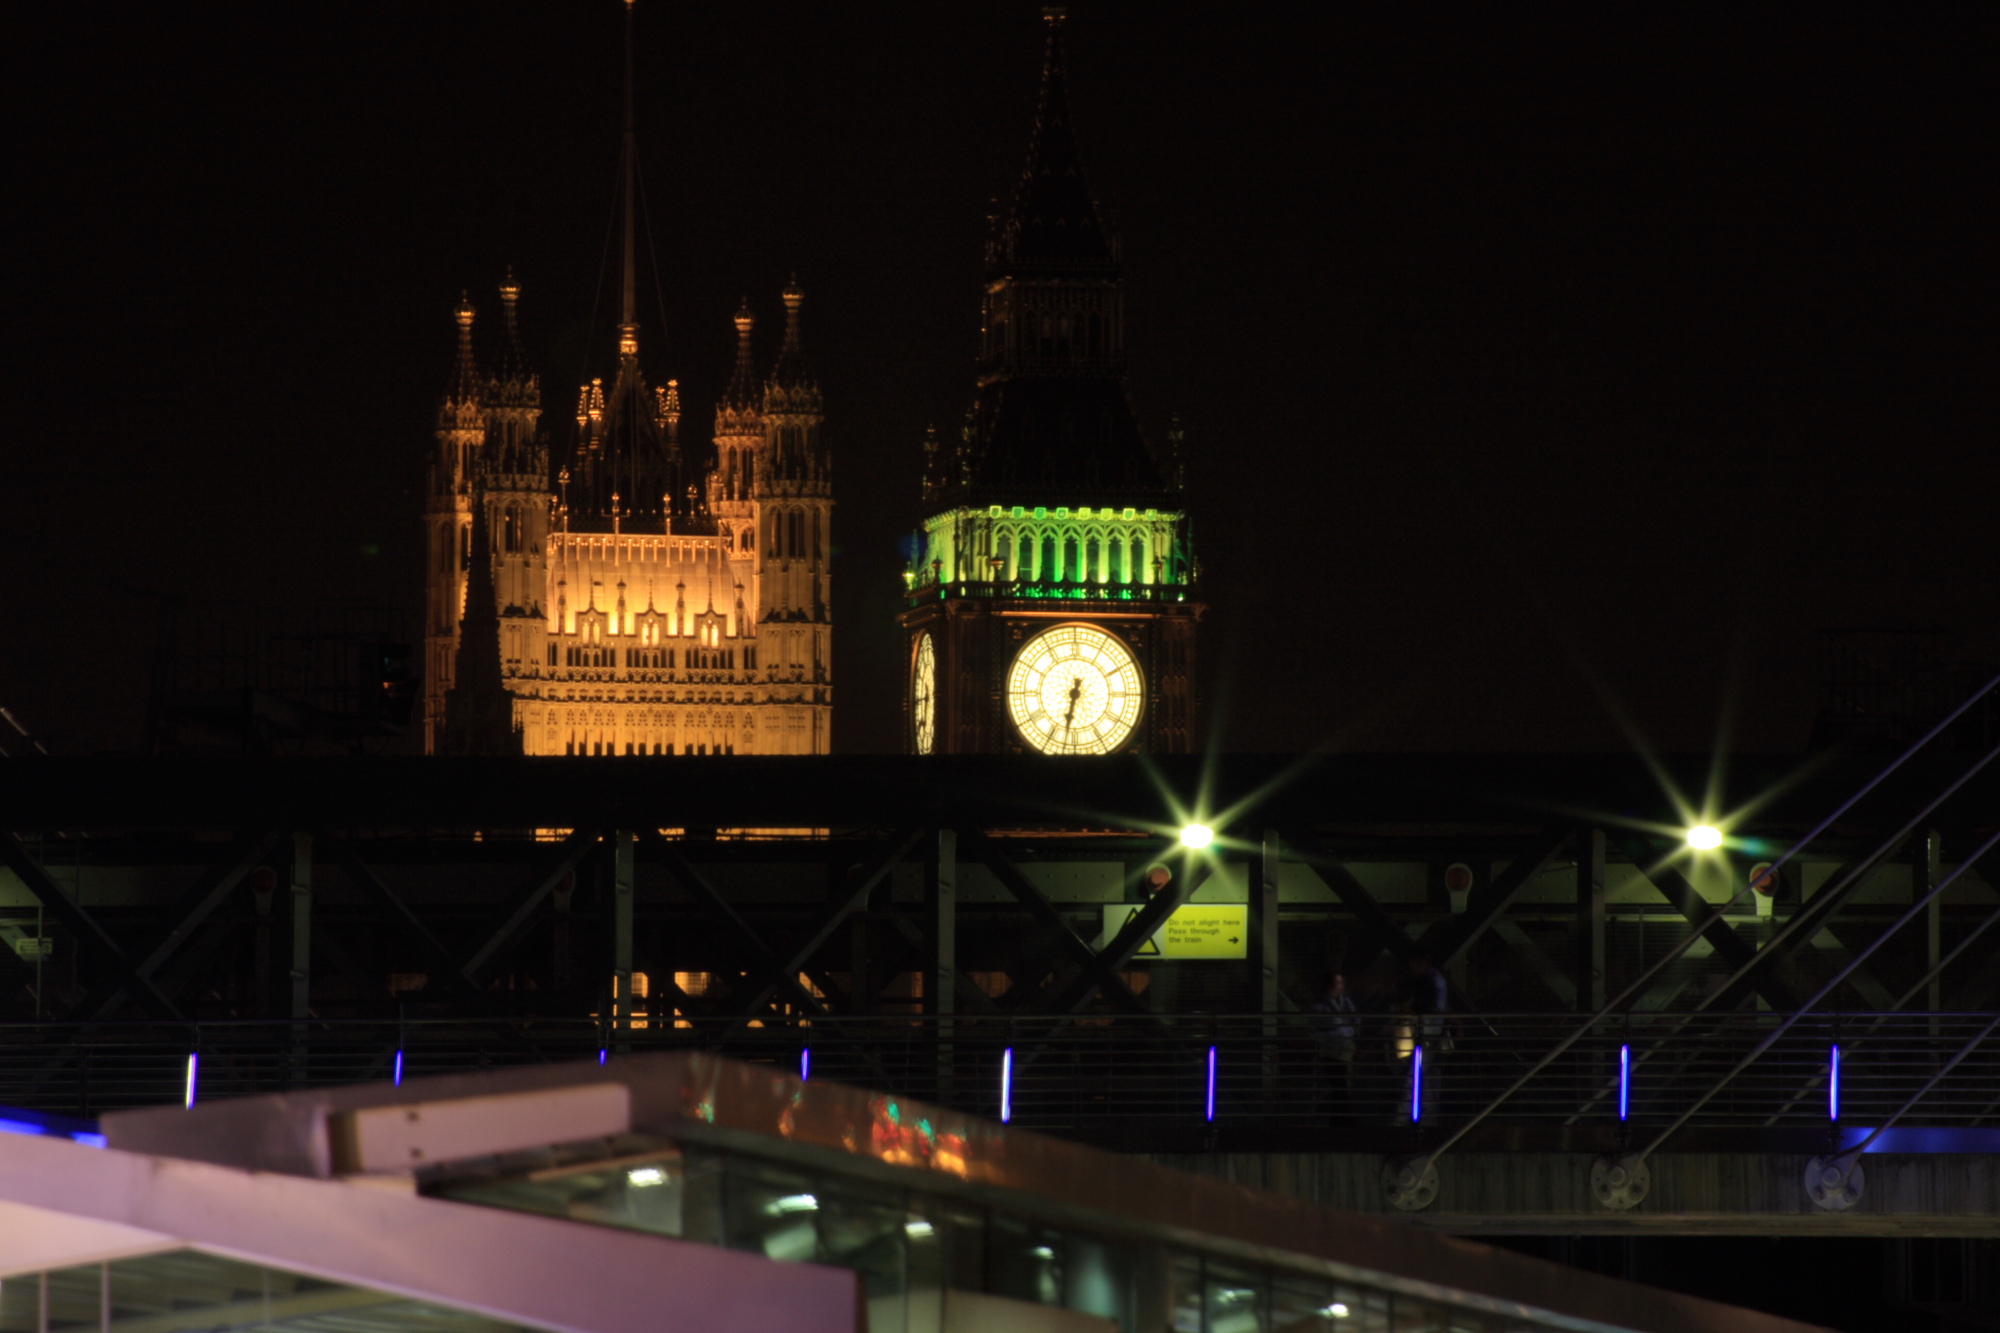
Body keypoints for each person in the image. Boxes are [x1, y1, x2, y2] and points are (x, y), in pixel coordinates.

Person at [1306, 970, 1359, 1125]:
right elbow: (1318, 1030)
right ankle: (1338, 1120)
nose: (1341, 985)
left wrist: (1347, 1031)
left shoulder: (1346, 1002)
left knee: (1342, 1085)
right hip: (1331, 1052)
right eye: (1338, 982)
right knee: (1338, 1085)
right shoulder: (1320, 1006)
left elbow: (1356, 1020)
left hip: (1346, 1051)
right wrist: (1344, 1031)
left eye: (1342, 982)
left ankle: (1340, 1120)